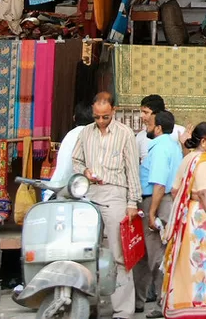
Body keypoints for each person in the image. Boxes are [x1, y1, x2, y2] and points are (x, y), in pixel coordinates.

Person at [72, 92, 142, 319]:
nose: (101, 121)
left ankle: (123, 311)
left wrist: (132, 202)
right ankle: (91, 305)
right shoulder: (85, 132)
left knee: (118, 253)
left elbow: (132, 169)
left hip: (115, 194)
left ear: (114, 110)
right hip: (90, 193)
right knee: (87, 250)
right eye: (97, 117)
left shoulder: (125, 133)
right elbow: (76, 160)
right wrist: (85, 172)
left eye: (105, 117)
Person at [161, 123, 206, 319]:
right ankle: (200, 309)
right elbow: (205, 193)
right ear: (203, 142)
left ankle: (183, 304)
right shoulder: (205, 163)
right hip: (204, 218)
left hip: (189, 215)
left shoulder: (188, 159)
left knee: (187, 263)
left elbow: (175, 191)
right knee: (204, 265)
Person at [136, 110, 183, 319]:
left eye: (150, 122)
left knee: (157, 257)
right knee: (151, 254)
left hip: (157, 202)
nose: (146, 124)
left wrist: (152, 213)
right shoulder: (172, 146)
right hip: (164, 201)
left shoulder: (160, 148)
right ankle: (140, 300)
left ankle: (163, 303)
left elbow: (158, 183)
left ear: (159, 128)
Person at [49, 103, 94, 190]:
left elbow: (64, 168)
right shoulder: (97, 135)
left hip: (71, 189)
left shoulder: (71, 135)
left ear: (74, 118)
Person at [136, 95, 186, 162]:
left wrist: (185, 146)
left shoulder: (180, 132)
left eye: (146, 112)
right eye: (141, 112)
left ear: (157, 113)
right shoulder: (140, 136)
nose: (141, 116)